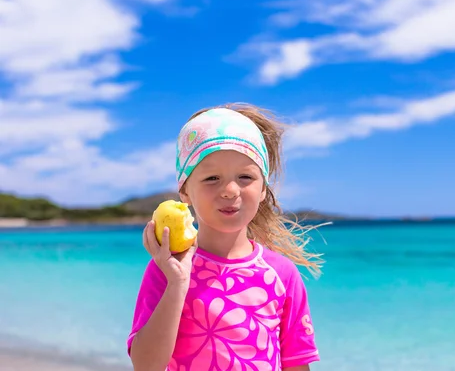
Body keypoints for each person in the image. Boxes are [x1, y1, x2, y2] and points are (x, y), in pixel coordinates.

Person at [127, 103, 324, 371]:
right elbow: (145, 365)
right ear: (185, 192)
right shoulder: (167, 270)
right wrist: (177, 284)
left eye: (245, 176)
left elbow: (296, 363)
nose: (231, 190)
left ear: (263, 189)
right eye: (212, 178)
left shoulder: (282, 274)